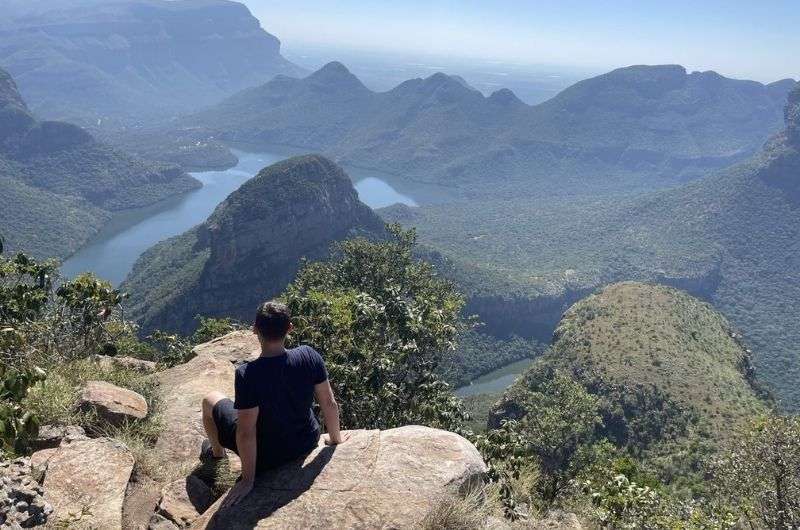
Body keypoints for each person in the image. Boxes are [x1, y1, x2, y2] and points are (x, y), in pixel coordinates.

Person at [200, 301, 346, 506]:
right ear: (290, 328)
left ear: (255, 330)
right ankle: (217, 453)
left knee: (209, 400)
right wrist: (335, 439)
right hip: (306, 441)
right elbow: (329, 403)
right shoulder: (309, 355)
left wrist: (248, 479)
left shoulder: (247, 374)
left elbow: (245, 433)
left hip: (266, 457)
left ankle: (216, 454)